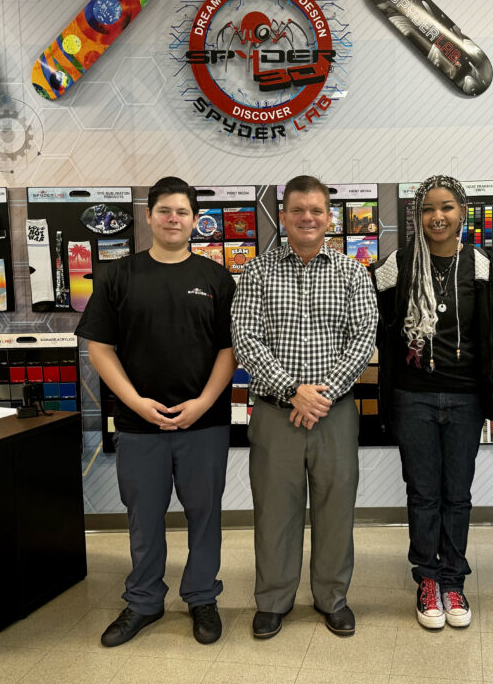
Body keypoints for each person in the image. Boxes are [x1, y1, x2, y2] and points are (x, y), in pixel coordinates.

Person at [76, 177, 237, 648]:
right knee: (143, 518)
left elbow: (229, 350)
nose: (173, 219)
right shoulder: (117, 276)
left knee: (204, 515)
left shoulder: (216, 278)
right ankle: (144, 600)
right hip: (138, 425)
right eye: (164, 211)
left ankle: (202, 597)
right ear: (148, 217)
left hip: (203, 423)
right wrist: (136, 403)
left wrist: (203, 403)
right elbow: (100, 349)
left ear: (194, 221)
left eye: (182, 212)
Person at [231, 175, 377, 639]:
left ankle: (332, 597)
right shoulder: (256, 272)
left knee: (336, 509)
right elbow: (246, 340)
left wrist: (322, 393)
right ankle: (274, 599)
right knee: (275, 510)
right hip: (276, 413)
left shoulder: (353, 271)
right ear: (284, 217)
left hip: (335, 414)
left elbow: (363, 339)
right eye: (298, 210)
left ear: (329, 217)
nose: (308, 218)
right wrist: (293, 390)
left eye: (316, 210)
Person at [371, 176, 493, 630]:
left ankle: (453, 579)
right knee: (424, 494)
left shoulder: (482, 265)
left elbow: (492, 332)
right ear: (417, 216)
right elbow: (380, 326)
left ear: (463, 211)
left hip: (465, 398)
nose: (437, 217)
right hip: (414, 398)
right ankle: (427, 579)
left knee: (458, 495)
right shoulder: (396, 264)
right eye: (428, 209)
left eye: (446, 207)